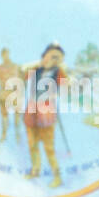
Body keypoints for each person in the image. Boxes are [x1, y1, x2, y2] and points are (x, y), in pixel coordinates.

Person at [22, 43, 68, 188]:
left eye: (58, 58)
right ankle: (35, 170)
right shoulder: (36, 70)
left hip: (46, 110)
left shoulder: (58, 72)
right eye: (52, 56)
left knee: (49, 147)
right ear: (44, 56)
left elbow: (66, 86)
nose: (54, 60)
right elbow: (22, 70)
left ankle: (57, 176)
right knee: (32, 144)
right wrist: (39, 63)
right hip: (32, 108)